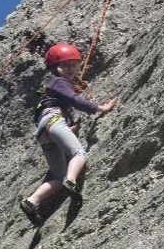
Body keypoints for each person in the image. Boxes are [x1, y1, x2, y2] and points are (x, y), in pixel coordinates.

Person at [20, 42, 117, 226]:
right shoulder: (58, 82)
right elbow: (74, 101)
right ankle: (71, 181)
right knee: (79, 154)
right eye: (65, 65)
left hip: (44, 131)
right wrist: (99, 108)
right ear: (56, 68)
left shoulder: (52, 89)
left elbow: (66, 108)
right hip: (54, 121)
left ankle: (31, 201)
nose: (71, 68)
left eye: (74, 64)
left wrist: (68, 126)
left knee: (58, 177)